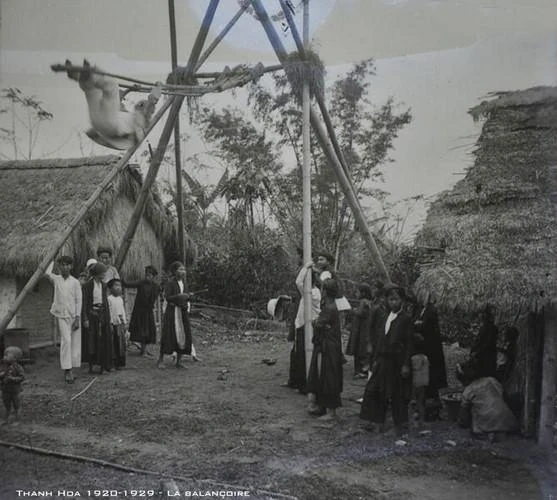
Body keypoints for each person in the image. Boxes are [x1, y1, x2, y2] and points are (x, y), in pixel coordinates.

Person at [360, 285, 414, 436]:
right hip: (383, 360)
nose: (393, 302)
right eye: (390, 299)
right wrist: (375, 359)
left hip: (397, 362)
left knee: (397, 394)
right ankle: (378, 422)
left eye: (396, 299)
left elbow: (409, 344)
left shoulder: (405, 319)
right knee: (377, 391)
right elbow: (381, 339)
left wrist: (406, 364)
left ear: (402, 301)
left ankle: (400, 426)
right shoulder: (386, 317)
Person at [306, 278, 344, 420]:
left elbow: (317, 323)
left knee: (329, 377)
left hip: (329, 347)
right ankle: (322, 406)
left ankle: (331, 412)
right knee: (322, 376)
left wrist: (315, 322)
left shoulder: (329, 308)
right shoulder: (329, 306)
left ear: (325, 291)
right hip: (326, 346)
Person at [45, 256, 82, 384]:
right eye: (62, 265)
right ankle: (67, 370)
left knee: (74, 343)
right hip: (61, 315)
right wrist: (52, 259)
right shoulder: (56, 279)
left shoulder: (75, 282)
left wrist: (77, 317)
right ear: (59, 266)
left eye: (67, 265)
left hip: (73, 315)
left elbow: (78, 300)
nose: (65, 267)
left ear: (71, 266)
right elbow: (46, 273)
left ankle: (71, 368)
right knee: (66, 340)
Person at [457, 363, 518, 441]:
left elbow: (463, 415)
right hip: (507, 420)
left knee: (473, 410)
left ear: (464, 380)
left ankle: (489, 433)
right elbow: (504, 396)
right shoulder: (491, 380)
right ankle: (504, 429)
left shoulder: (469, 390)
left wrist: (461, 422)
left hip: (489, 423)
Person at [285, 262, 321, 392]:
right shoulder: (311, 292)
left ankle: (303, 385)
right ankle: (294, 381)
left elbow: (298, 282)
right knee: (296, 354)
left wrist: (305, 268)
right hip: (302, 325)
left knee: (302, 355)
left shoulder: (312, 293)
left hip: (307, 327)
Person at [413, 297, 447, 420]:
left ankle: (432, 407)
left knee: (432, 378)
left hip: (432, 349)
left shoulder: (431, 310)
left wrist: (417, 325)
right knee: (425, 379)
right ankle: (426, 405)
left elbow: (425, 326)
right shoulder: (420, 309)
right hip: (424, 348)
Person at [159, 261, 193, 369]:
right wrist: (179, 296)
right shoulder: (170, 283)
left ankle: (179, 361)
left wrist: (188, 296)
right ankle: (160, 360)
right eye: (180, 269)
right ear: (174, 271)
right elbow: (168, 298)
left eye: (184, 269)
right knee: (168, 335)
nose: (183, 272)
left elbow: (186, 297)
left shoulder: (184, 283)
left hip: (182, 312)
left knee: (183, 335)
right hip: (172, 312)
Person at [82, 262, 113, 374]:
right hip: (92, 315)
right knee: (92, 341)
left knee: (103, 340)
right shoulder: (87, 286)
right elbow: (84, 303)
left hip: (102, 314)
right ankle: (91, 365)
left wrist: (108, 318)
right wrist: (85, 318)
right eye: (102, 273)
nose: (104, 275)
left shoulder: (104, 286)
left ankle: (103, 366)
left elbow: (105, 302)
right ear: (97, 274)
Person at [124, 266, 160, 357]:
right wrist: (121, 281)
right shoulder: (141, 283)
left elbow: (155, 297)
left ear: (153, 276)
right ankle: (143, 351)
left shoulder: (155, 286)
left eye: (150, 275)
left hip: (148, 311)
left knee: (148, 331)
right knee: (142, 330)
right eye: (146, 275)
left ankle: (145, 350)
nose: (147, 277)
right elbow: (129, 284)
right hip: (139, 311)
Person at [346, 283, 373, 379]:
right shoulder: (368, 302)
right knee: (360, 349)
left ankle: (361, 371)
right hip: (362, 329)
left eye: (357, 292)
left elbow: (360, 312)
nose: (355, 294)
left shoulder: (363, 301)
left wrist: (353, 310)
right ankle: (361, 370)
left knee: (360, 349)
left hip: (361, 330)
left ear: (363, 293)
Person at [470, 306, 499, 378]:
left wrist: (476, 352)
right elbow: (479, 341)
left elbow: (486, 344)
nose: (481, 316)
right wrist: (473, 350)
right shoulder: (484, 327)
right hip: (484, 355)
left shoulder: (490, 328)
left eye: (483, 314)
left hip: (486, 357)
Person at [0, 346, 25, 425]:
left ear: (15, 358)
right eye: (4, 355)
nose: (5, 357)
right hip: (5, 389)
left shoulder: (18, 367)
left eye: (7, 355)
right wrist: (1, 375)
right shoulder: (3, 366)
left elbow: (22, 377)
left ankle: (18, 420)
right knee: (6, 405)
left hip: (15, 390)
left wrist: (12, 378)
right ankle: (4, 419)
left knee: (17, 405)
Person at [107, 278, 127, 369]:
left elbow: (122, 311)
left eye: (120, 286)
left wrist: (124, 322)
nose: (118, 288)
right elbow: (110, 312)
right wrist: (111, 322)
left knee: (121, 343)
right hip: (113, 323)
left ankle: (120, 363)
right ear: (111, 288)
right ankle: (112, 362)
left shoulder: (120, 299)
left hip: (120, 324)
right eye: (116, 285)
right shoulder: (109, 299)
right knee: (113, 343)